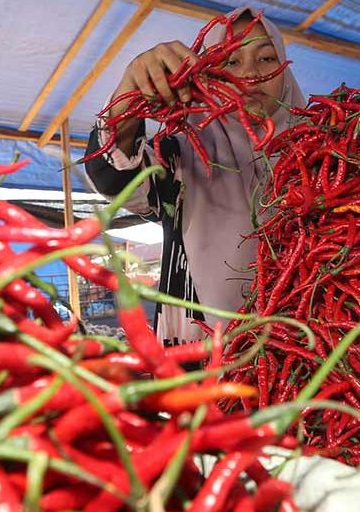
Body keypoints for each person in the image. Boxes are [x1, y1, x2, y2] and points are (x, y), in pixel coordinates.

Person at [84, 7, 306, 347]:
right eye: (231, 62)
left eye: (266, 59)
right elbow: (112, 176)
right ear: (208, 72)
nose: (249, 73)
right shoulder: (179, 155)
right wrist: (128, 96)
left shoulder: (322, 152)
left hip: (306, 342)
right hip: (199, 348)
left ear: (285, 71)